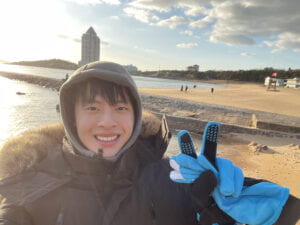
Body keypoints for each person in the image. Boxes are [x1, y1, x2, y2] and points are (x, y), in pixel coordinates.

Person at [0, 61, 296, 225]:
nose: (107, 122)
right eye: (92, 108)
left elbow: (287, 210)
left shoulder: (175, 179)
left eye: (120, 108)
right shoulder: (28, 187)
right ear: (69, 117)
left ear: (136, 116)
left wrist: (218, 209)